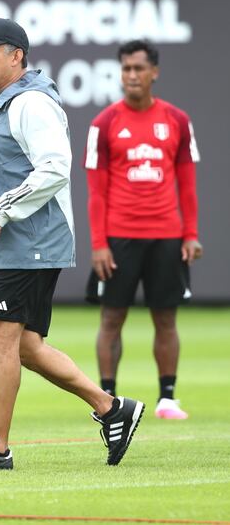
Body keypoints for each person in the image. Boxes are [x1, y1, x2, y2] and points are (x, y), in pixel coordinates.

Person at [0, 19, 144, 469]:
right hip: (22, 241)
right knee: (25, 346)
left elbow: (53, 168)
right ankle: (112, 408)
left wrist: (3, 209)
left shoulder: (31, 102)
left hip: (32, 239)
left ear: (17, 56)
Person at [84, 40, 202, 420]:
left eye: (138, 68)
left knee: (165, 317)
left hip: (167, 234)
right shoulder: (104, 123)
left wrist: (190, 233)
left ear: (154, 72)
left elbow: (187, 183)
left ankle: (168, 397)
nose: (131, 76)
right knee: (111, 317)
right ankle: (108, 399)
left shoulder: (177, 121)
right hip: (119, 237)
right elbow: (95, 190)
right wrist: (99, 243)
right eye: (125, 69)